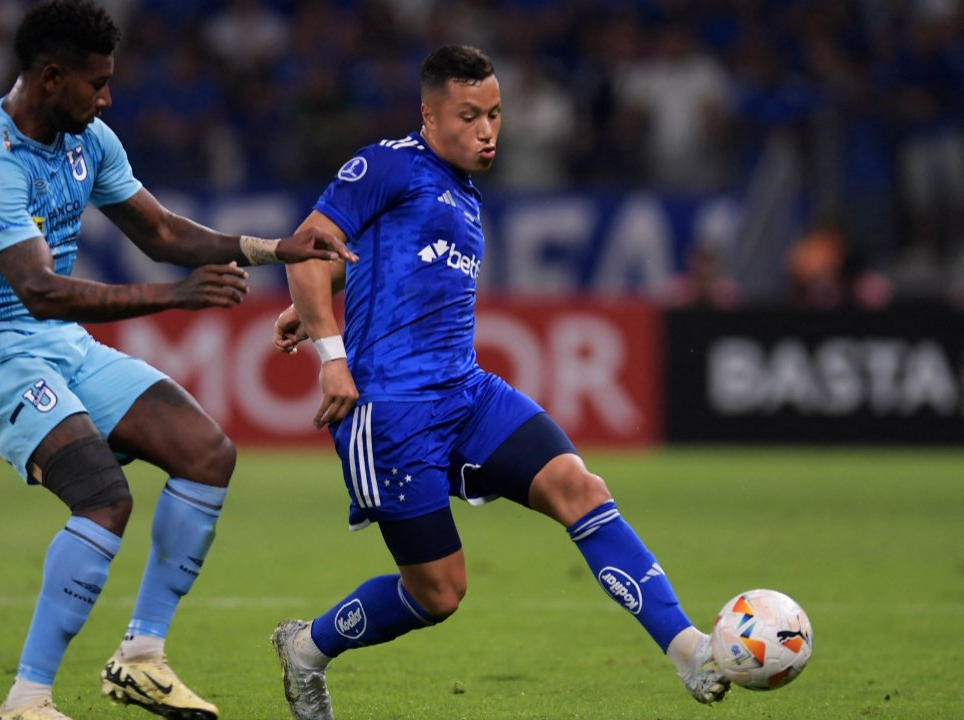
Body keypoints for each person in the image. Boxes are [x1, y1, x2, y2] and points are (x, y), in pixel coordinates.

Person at [268, 44, 729, 720]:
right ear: (429, 115)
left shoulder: (460, 190)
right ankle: (307, 648)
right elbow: (308, 246)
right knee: (439, 594)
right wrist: (330, 352)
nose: (487, 130)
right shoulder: (387, 164)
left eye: (495, 114)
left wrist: (324, 292)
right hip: (391, 412)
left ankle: (686, 647)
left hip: (466, 392)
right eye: (469, 116)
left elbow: (366, 255)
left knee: (580, 486)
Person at [0, 3, 356, 720]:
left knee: (206, 453)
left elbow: (160, 230)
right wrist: (173, 297)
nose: (107, 99)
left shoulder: (86, 139)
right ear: (51, 76)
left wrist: (274, 249)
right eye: (95, 84)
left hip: (57, 346)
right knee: (103, 495)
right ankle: (26, 701)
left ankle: (141, 659)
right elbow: (37, 289)